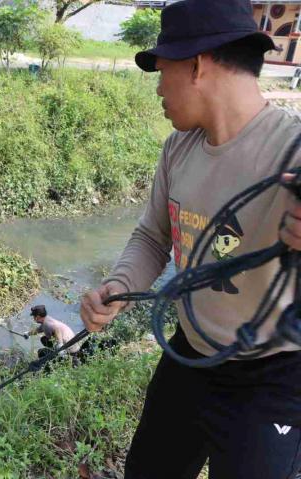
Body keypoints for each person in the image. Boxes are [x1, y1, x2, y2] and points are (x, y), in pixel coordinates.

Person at [80, 1, 301, 477]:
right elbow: (153, 236)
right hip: (189, 355)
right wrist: (117, 287)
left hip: (271, 378)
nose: (159, 88)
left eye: (161, 71)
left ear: (197, 64)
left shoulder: (291, 151)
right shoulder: (179, 147)